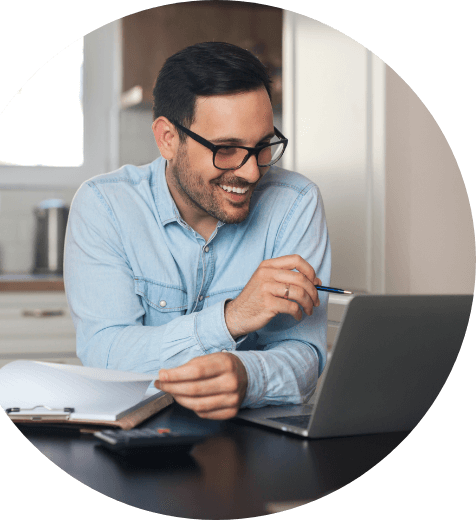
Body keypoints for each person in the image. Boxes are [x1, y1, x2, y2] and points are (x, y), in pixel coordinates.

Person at [64, 42, 331, 420]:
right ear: (167, 139)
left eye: (263, 146)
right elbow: (105, 354)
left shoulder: (296, 204)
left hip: (253, 445)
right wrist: (230, 319)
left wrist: (247, 377)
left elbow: (304, 353)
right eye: (226, 149)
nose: (252, 172)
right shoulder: (104, 205)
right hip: (134, 445)